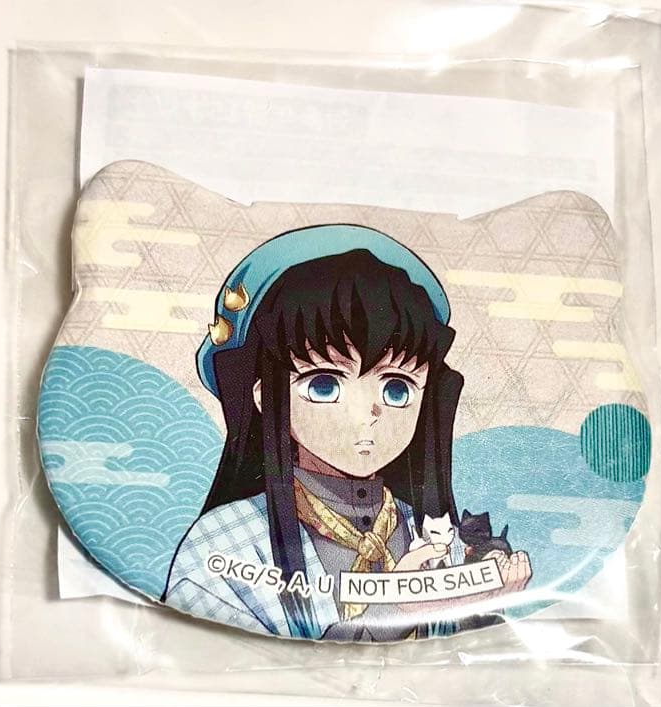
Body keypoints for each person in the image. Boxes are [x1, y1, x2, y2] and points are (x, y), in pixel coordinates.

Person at [163, 225, 530, 640]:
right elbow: (209, 657)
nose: (366, 413)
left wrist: (484, 612)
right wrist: (392, 612)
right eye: (324, 385)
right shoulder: (224, 540)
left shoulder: (429, 531)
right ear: (265, 395)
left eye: (396, 389)